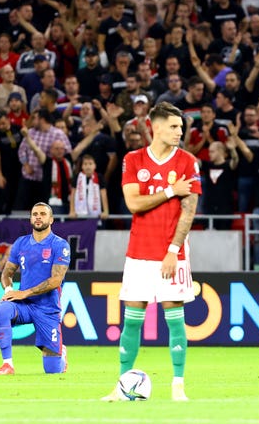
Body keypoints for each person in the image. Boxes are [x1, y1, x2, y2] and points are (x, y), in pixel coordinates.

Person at [102, 102, 201, 402]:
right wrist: (171, 191)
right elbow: (134, 204)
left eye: (181, 128)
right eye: (173, 127)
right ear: (154, 126)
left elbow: (189, 210)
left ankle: (178, 387)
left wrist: (173, 249)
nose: (179, 132)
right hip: (139, 252)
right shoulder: (133, 160)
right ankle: (119, 387)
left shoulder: (187, 162)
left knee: (175, 318)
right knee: (132, 320)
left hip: (172, 254)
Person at [0, 202, 71, 375]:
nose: (38, 216)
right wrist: (8, 291)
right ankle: (7, 364)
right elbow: (7, 274)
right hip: (25, 306)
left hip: (48, 309)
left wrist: (24, 292)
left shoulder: (60, 245)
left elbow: (55, 280)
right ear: (30, 218)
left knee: (52, 370)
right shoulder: (21, 244)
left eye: (43, 214)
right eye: (35, 213)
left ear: (51, 219)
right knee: (4, 309)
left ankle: (61, 354)